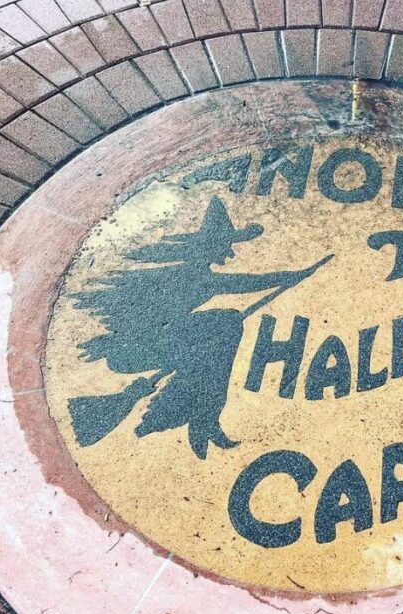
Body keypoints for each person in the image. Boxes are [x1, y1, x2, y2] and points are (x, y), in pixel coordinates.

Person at [68, 196, 331, 458]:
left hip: (145, 346)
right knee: (225, 325)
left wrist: (295, 275)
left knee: (223, 328)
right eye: (224, 245)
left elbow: (249, 282)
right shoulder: (196, 277)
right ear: (207, 246)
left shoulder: (193, 272)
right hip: (133, 352)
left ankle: (198, 412)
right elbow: (249, 283)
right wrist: (296, 275)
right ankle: (197, 412)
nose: (227, 252)